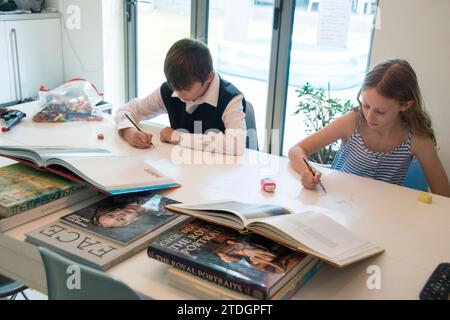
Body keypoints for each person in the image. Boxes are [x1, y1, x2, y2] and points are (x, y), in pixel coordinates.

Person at [289, 59, 450, 197]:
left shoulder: (416, 138)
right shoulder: (353, 122)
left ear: (405, 105)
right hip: (339, 207)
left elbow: (444, 195)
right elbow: (297, 149)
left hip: (383, 217)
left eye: (380, 111)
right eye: (366, 105)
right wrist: (307, 172)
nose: (369, 116)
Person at [115, 38, 247, 155]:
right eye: (175, 88)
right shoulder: (172, 90)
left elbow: (236, 144)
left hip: (221, 173)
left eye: (185, 90)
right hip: (183, 170)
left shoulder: (231, 99)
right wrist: (128, 132)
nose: (177, 95)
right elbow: (127, 111)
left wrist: (178, 137)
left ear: (209, 77)